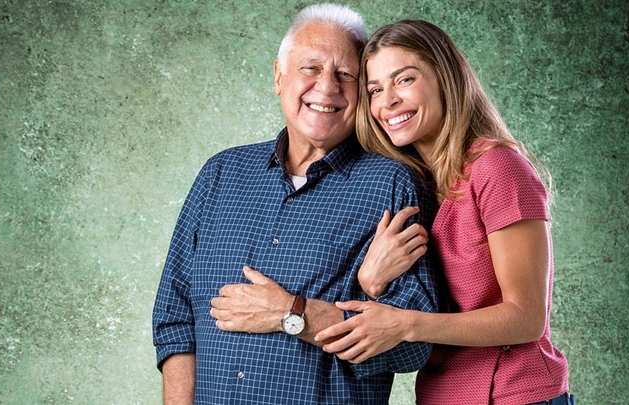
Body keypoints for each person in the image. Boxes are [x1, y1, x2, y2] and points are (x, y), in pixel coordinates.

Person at [152, 6, 439, 404]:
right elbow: (175, 318)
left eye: (345, 75)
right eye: (311, 68)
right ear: (278, 76)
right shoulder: (220, 174)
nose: (326, 87)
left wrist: (294, 314)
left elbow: (412, 346)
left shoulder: (392, 185)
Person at [315, 20, 574, 405]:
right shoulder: (410, 185)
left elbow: (526, 317)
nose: (388, 102)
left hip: (513, 394)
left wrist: (407, 325)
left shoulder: (497, 168)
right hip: (442, 395)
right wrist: (370, 280)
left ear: (445, 77)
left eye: (404, 80)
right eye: (375, 90)